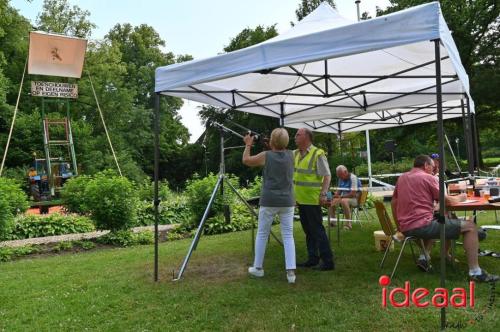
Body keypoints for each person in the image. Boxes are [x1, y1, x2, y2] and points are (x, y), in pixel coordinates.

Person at [391, 155, 498, 283]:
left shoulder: (402, 178)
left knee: (444, 218)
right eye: (432, 167)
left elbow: (393, 202)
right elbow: (446, 200)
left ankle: (436, 256)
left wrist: (399, 226)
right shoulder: (428, 177)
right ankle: (475, 272)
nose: (434, 170)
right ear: (426, 165)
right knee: (470, 226)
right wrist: (461, 197)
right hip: (423, 226)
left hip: (406, 228)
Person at [242, 128, 297, 283]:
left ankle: (258, 268)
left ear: (272, 141)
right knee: (288, 235)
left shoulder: (266, 156)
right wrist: (273, 146)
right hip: (287, 201)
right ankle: (291, 273)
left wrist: (248, 144)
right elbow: (280, 153)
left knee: (262, 233)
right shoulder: (292, 155)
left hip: (269, 200)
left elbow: (246, 160)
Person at [293, 128, 334, 271]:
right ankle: (313, 258)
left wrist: (323, 194)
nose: (295, 137)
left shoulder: (318, 153)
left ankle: (328, 261)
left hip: (312, 199)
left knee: (317, 230)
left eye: (298, 134)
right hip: (301, 200)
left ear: (307, 137)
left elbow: (327, 176)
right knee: (308, 231)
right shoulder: (295, 154)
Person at [330, 165, 361, 230]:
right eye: (338, 175)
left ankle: (348, 224)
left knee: (344, 201)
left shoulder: (353, 178)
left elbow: (353, 194)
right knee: (331, 201)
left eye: (340, 175)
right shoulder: (340, 179)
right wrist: (334, 195)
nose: (339, 177)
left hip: (355, 199)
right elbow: (338, 192)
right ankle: (333, 222)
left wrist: (341, 196)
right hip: (344, 198)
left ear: (346, 172)